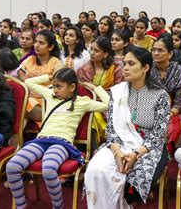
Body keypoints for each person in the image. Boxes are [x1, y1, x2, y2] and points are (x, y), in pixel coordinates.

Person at [6, 68, 110, 209]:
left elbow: (108, 105)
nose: (54, 90)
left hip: (62, 143)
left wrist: (96, 88)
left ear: (72, 87)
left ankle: (58, 206)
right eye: (54, 86)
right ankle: (21, 205)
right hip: (41, 140)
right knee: (12, 166)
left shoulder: (82, 102)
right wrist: (48, 77)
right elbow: (29, 82)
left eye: (59, 87)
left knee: (48, 169)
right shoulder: (50, 95)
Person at [84, 46, 170, 208]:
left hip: (148, 147)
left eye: (131, 64)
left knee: (133, 185)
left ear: (145, 68)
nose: (126, 68)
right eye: (124, 64)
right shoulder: (117, 93)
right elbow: (111, 129)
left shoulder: (160, 95)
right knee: (96, 170)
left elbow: (159, 135)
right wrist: (117, 153)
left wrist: (135, 155)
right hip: (119, 144)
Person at [150, 34, 181, 152]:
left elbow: (179, 103)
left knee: (172, 128)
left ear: (170, 54)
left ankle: (169, 161)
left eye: (160, 50)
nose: (156, 53)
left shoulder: (180, 72)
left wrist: (166, 114)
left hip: (173, 112)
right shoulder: (146, 69)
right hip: (149, 110)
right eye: (154, 50)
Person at [18, 30, 63, 125]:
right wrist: (27, 81)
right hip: (28, 97)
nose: (36, 45)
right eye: (36, 42)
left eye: (41, 43)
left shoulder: (55, 62)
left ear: (50, 47)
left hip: (45, 100)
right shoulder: (31, 59)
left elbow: (57, 82)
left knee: (20, 106)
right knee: (22, 109)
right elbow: (20, 71)